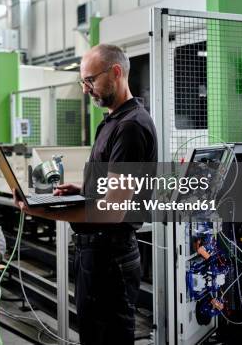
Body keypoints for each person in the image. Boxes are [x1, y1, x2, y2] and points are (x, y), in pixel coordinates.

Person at [12, 44, 157, 344]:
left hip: (111, 257)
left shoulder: (130, 127)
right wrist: (85, 190)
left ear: (116, 73)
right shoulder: (113, 121)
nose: (86, 89)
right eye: (83, 82)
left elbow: (113, 210)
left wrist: (43, 210)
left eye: (90, 80)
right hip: (98, 254)